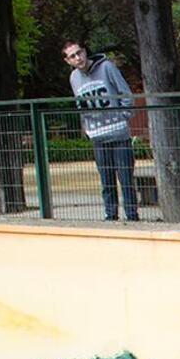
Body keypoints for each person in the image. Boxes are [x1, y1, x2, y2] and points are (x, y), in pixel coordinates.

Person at [64, 40, 139, 223]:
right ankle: (110, 216)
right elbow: (80, 105)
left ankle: (132, 216)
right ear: (68, 61)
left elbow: (125, 93)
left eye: (79, 52)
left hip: (118, 133)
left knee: (126, 178)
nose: (78, 58)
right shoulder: (74, 78)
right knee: (106, 181)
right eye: (72, 56)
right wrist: (88, 129)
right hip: (97, 136)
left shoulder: (107, 67)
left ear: (85, 52)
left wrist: (123, 117)